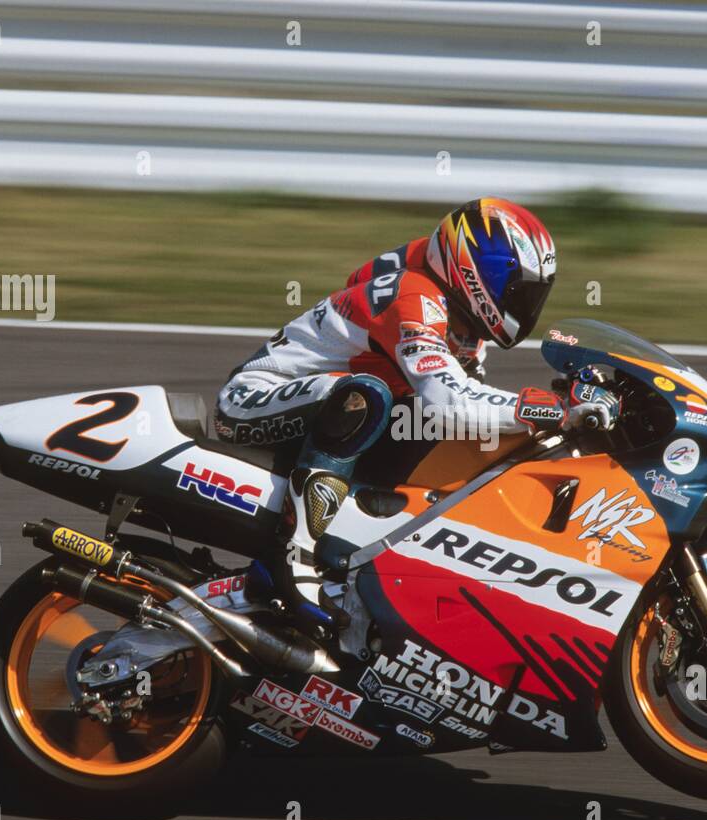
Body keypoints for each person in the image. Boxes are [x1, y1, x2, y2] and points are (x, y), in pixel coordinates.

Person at [215, 197, 619, 618]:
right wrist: (551, 407)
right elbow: (451, 401)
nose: (523, 305)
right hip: (252, 400)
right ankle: (292, 558)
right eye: (516, 291)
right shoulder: (414, 296)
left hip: (321, 408)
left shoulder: (462, 323)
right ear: (477, 272)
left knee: (442, 436)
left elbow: (467, 417)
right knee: (365, 396)